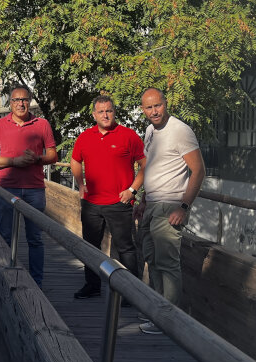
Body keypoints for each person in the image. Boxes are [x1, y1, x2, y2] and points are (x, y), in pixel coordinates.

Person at [136, 87, 205, 334]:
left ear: (166, 104)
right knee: (152, 260)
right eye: (148, 107)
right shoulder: (150, 131)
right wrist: (143, 200)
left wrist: (184, 207)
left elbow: (198, 171)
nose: (154, 111)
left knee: (167, 264)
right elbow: (152, 168)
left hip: (170, 206)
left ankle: (169, 320)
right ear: (143, 109)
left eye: (158, 105)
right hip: (152, 204)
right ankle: (158, 310)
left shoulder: (180, 131)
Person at [70, 95, 146, 299]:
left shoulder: (128, 136)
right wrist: (80, 184)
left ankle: (132, 293)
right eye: (101, 111)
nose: (105, 114)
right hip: (91, 203)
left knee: (126, 248)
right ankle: (93, 286)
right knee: (90, 247)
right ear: (94, 114)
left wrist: (133, 190)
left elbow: (145, 166)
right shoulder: (85, 137)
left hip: (119, 203)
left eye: (109, 110)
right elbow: (75, 160)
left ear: (114, 112)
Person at [0, 86, 58, 287]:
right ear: (10, 103)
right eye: (16, 100)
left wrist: (37, 158)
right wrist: (14, 161)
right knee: (5, 236)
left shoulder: (42, 124)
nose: (20, 103)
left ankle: (37, 282)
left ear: (30, 101)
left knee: (35, 237)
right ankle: (5, 277)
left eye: (24, 99)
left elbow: (53, 155)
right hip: (7, 187)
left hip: (35, 189)